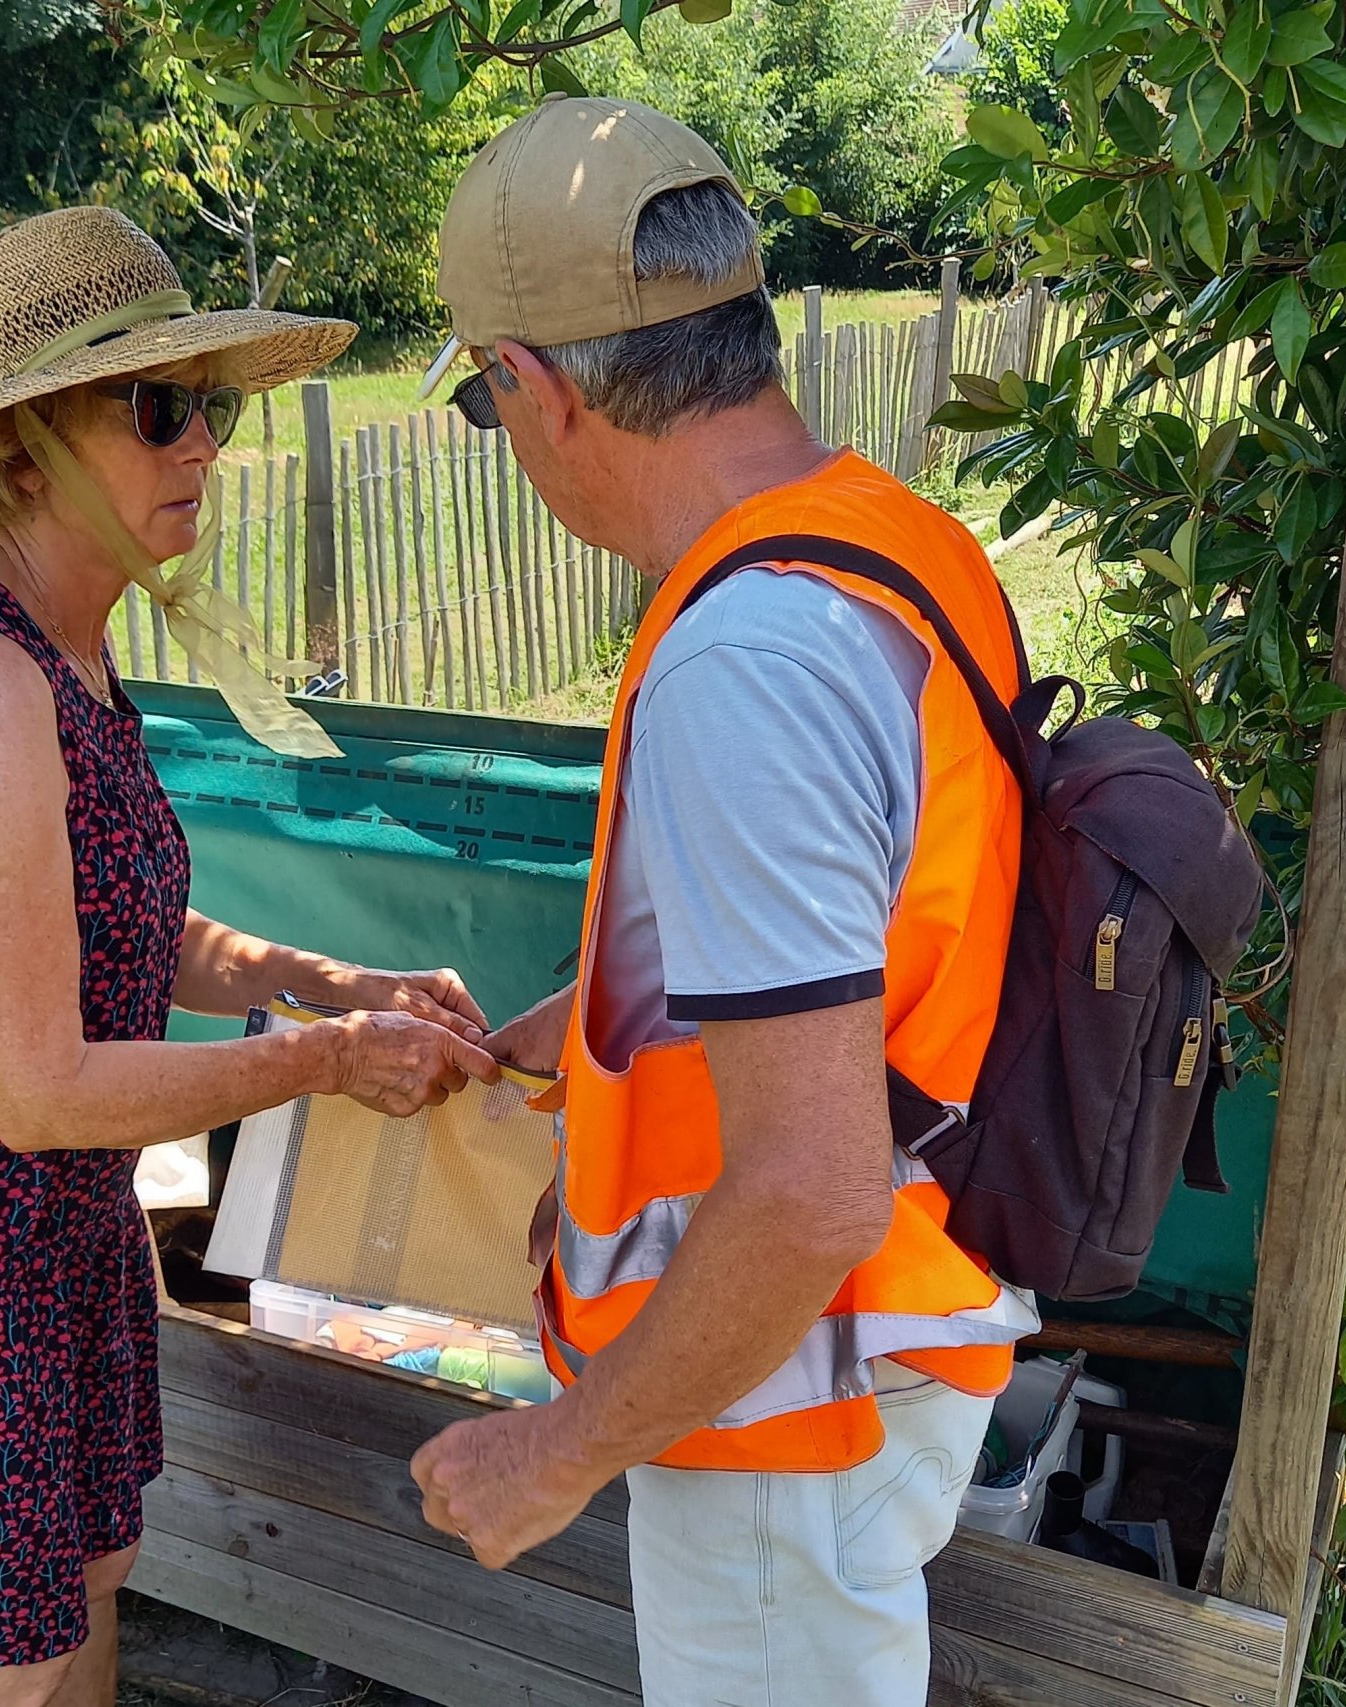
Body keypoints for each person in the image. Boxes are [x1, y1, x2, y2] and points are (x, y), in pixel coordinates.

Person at [0, 206, 499, 1707]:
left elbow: (138, 941)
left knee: (85, 1608)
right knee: (10, 1677)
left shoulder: (66, 645)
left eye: (210, 406)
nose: (205, 447)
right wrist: (328, 1062)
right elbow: (34, 1086)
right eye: (159, 409)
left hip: (47, 1241)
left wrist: (333, 982)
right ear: (22, 446)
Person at [408, 98, 1039, 1705]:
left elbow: (806, 1187)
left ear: (530, 389)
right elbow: (835, 948)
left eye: (488, 410)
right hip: (865, 1332)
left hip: (781, 1396)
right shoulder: (886, 543)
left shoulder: (743, 662)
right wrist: (549, 1040)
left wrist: (557, 1453)